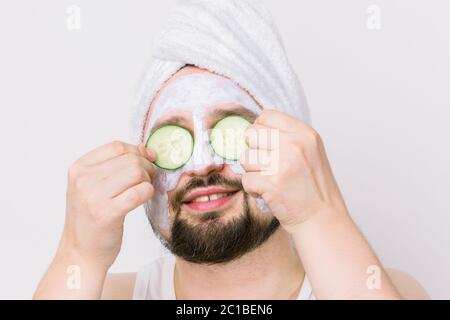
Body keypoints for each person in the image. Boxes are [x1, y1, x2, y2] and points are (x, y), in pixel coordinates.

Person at [34, 0, 428, 300]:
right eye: (174, 137)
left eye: (232, 131)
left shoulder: (386, 287)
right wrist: (78, 254)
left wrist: (318, 215)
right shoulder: (106, 294)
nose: (202, 165)